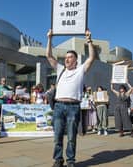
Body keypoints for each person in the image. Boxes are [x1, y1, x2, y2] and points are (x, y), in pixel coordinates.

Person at [46, 29, 95, 167]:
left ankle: (71, 161)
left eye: (70, 57)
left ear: (76, 60)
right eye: (66, 57)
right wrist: (49, 38)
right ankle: (58, 160)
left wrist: (89, 40)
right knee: (57, 136)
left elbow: (91, 58)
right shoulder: (60, 69)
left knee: (72, 137)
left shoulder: (81, 70)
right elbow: (49, 56)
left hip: (73, 107)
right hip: (59, 106)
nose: (66, 59)